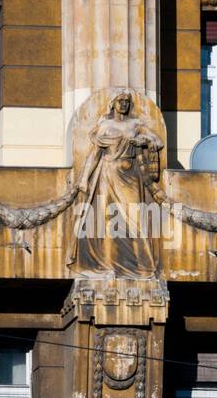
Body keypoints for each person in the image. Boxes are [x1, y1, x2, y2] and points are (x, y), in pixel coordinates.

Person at [69, 91, 164, 277]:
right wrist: (84, 178)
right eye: (120, 101)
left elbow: (158, 142)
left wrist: (144, 140)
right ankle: (107, 265)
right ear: (113, 103)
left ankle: (142, 266)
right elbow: (94, 155)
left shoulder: (135, 124)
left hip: (131, 177)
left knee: (135, 220)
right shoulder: (104, 125)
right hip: (108, 175)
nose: (124, 104)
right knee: (107, 222)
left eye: (127, 101)